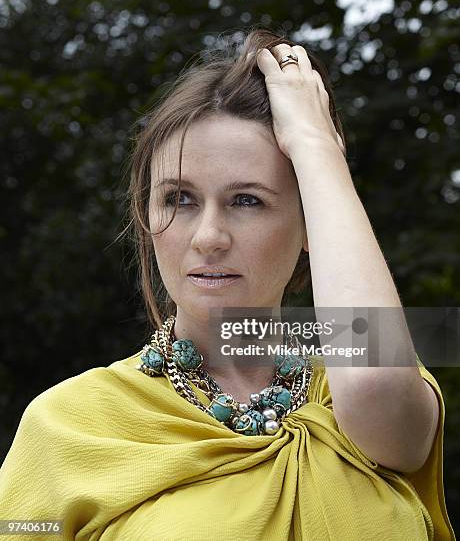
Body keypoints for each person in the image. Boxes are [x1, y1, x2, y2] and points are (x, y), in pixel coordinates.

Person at [0, 28, 455, 540]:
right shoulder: (71, 424)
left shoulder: (358, 382)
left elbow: (373, 382)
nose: (208, 237)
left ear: (311, 223)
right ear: (146, 218)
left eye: (247, 200)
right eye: (179, 199)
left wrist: (315, 145)